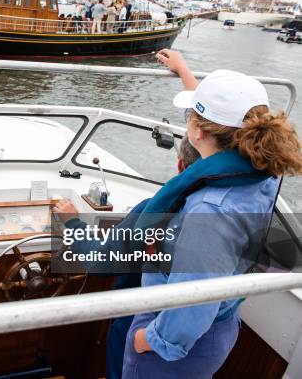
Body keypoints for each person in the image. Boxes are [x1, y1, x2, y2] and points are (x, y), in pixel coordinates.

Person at [121, 49, 302, 378]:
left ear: (198, 131)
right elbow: (214, 124)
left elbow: (192, 308)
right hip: (220, 324)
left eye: (191, 115)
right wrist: (184, 71)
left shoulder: (211, 213)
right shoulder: (262, 167)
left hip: (172, 343)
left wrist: (146, 340)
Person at [54, 135, 200, 379]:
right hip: (198, 338)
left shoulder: (154, 208)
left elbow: (102, 260)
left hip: (145, 325)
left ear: (181, 165)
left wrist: (73, 223)